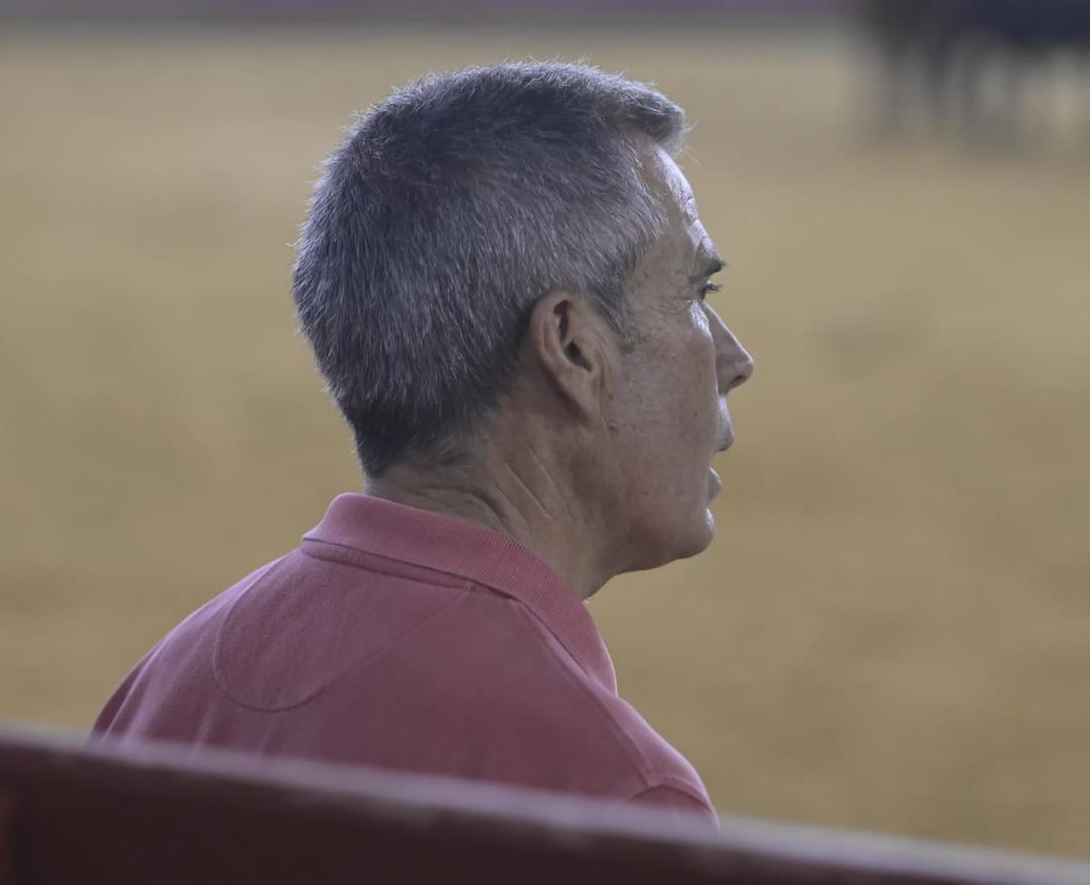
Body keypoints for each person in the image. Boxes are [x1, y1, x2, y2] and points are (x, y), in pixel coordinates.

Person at [92, 61, 754, 827]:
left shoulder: (164, 693)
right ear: (573, 348)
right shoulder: (610, 793)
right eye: (698, 296)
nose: (736, 360)